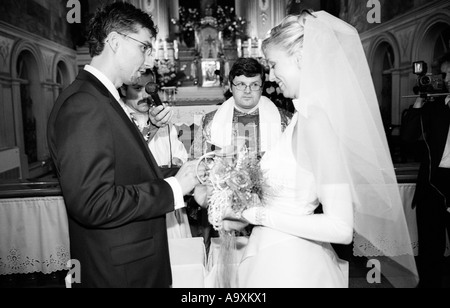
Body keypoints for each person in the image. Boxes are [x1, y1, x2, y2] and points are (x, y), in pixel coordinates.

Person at [199, 11, 418, 288]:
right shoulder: (301, 117)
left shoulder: (316, 123)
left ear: (301, 59)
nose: (273, 75)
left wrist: (253, 215)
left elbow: (340, 228)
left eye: (275, 64)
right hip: (274, 251)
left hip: (291, 265)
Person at [47, 2, 202, 288]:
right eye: (144, 47)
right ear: (115, 42)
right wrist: (174, 188)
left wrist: (180, 173)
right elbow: (93, 202)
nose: (149, 59)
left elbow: (122, 169)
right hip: (118, 273)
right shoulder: (85, 104)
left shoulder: (101, 99)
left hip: (129, 264)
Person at [190, 57, 293, 251]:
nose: (247, 91)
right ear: (230, 85)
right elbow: (196, 163)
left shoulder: (284, 121)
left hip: (272, 206)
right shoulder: (210, 122)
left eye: (254, 85)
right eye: (241, 84)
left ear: (262, 86)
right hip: (226, 209)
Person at [119, 69, 192, 239]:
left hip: (168, 191)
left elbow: (177, 146)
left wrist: (178, 159)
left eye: (149, 87)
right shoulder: (119, 117)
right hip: (141, 198)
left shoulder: (160, 114)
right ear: (123, 90)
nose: (145, 94)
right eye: (137, 88)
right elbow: (129, 153)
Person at [403, 52, 450, 288]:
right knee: (431, 246)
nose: (447, 78)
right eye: (445, 73)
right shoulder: (437, 106)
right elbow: (409, 137)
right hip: (432, 181)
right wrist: (420, 103)